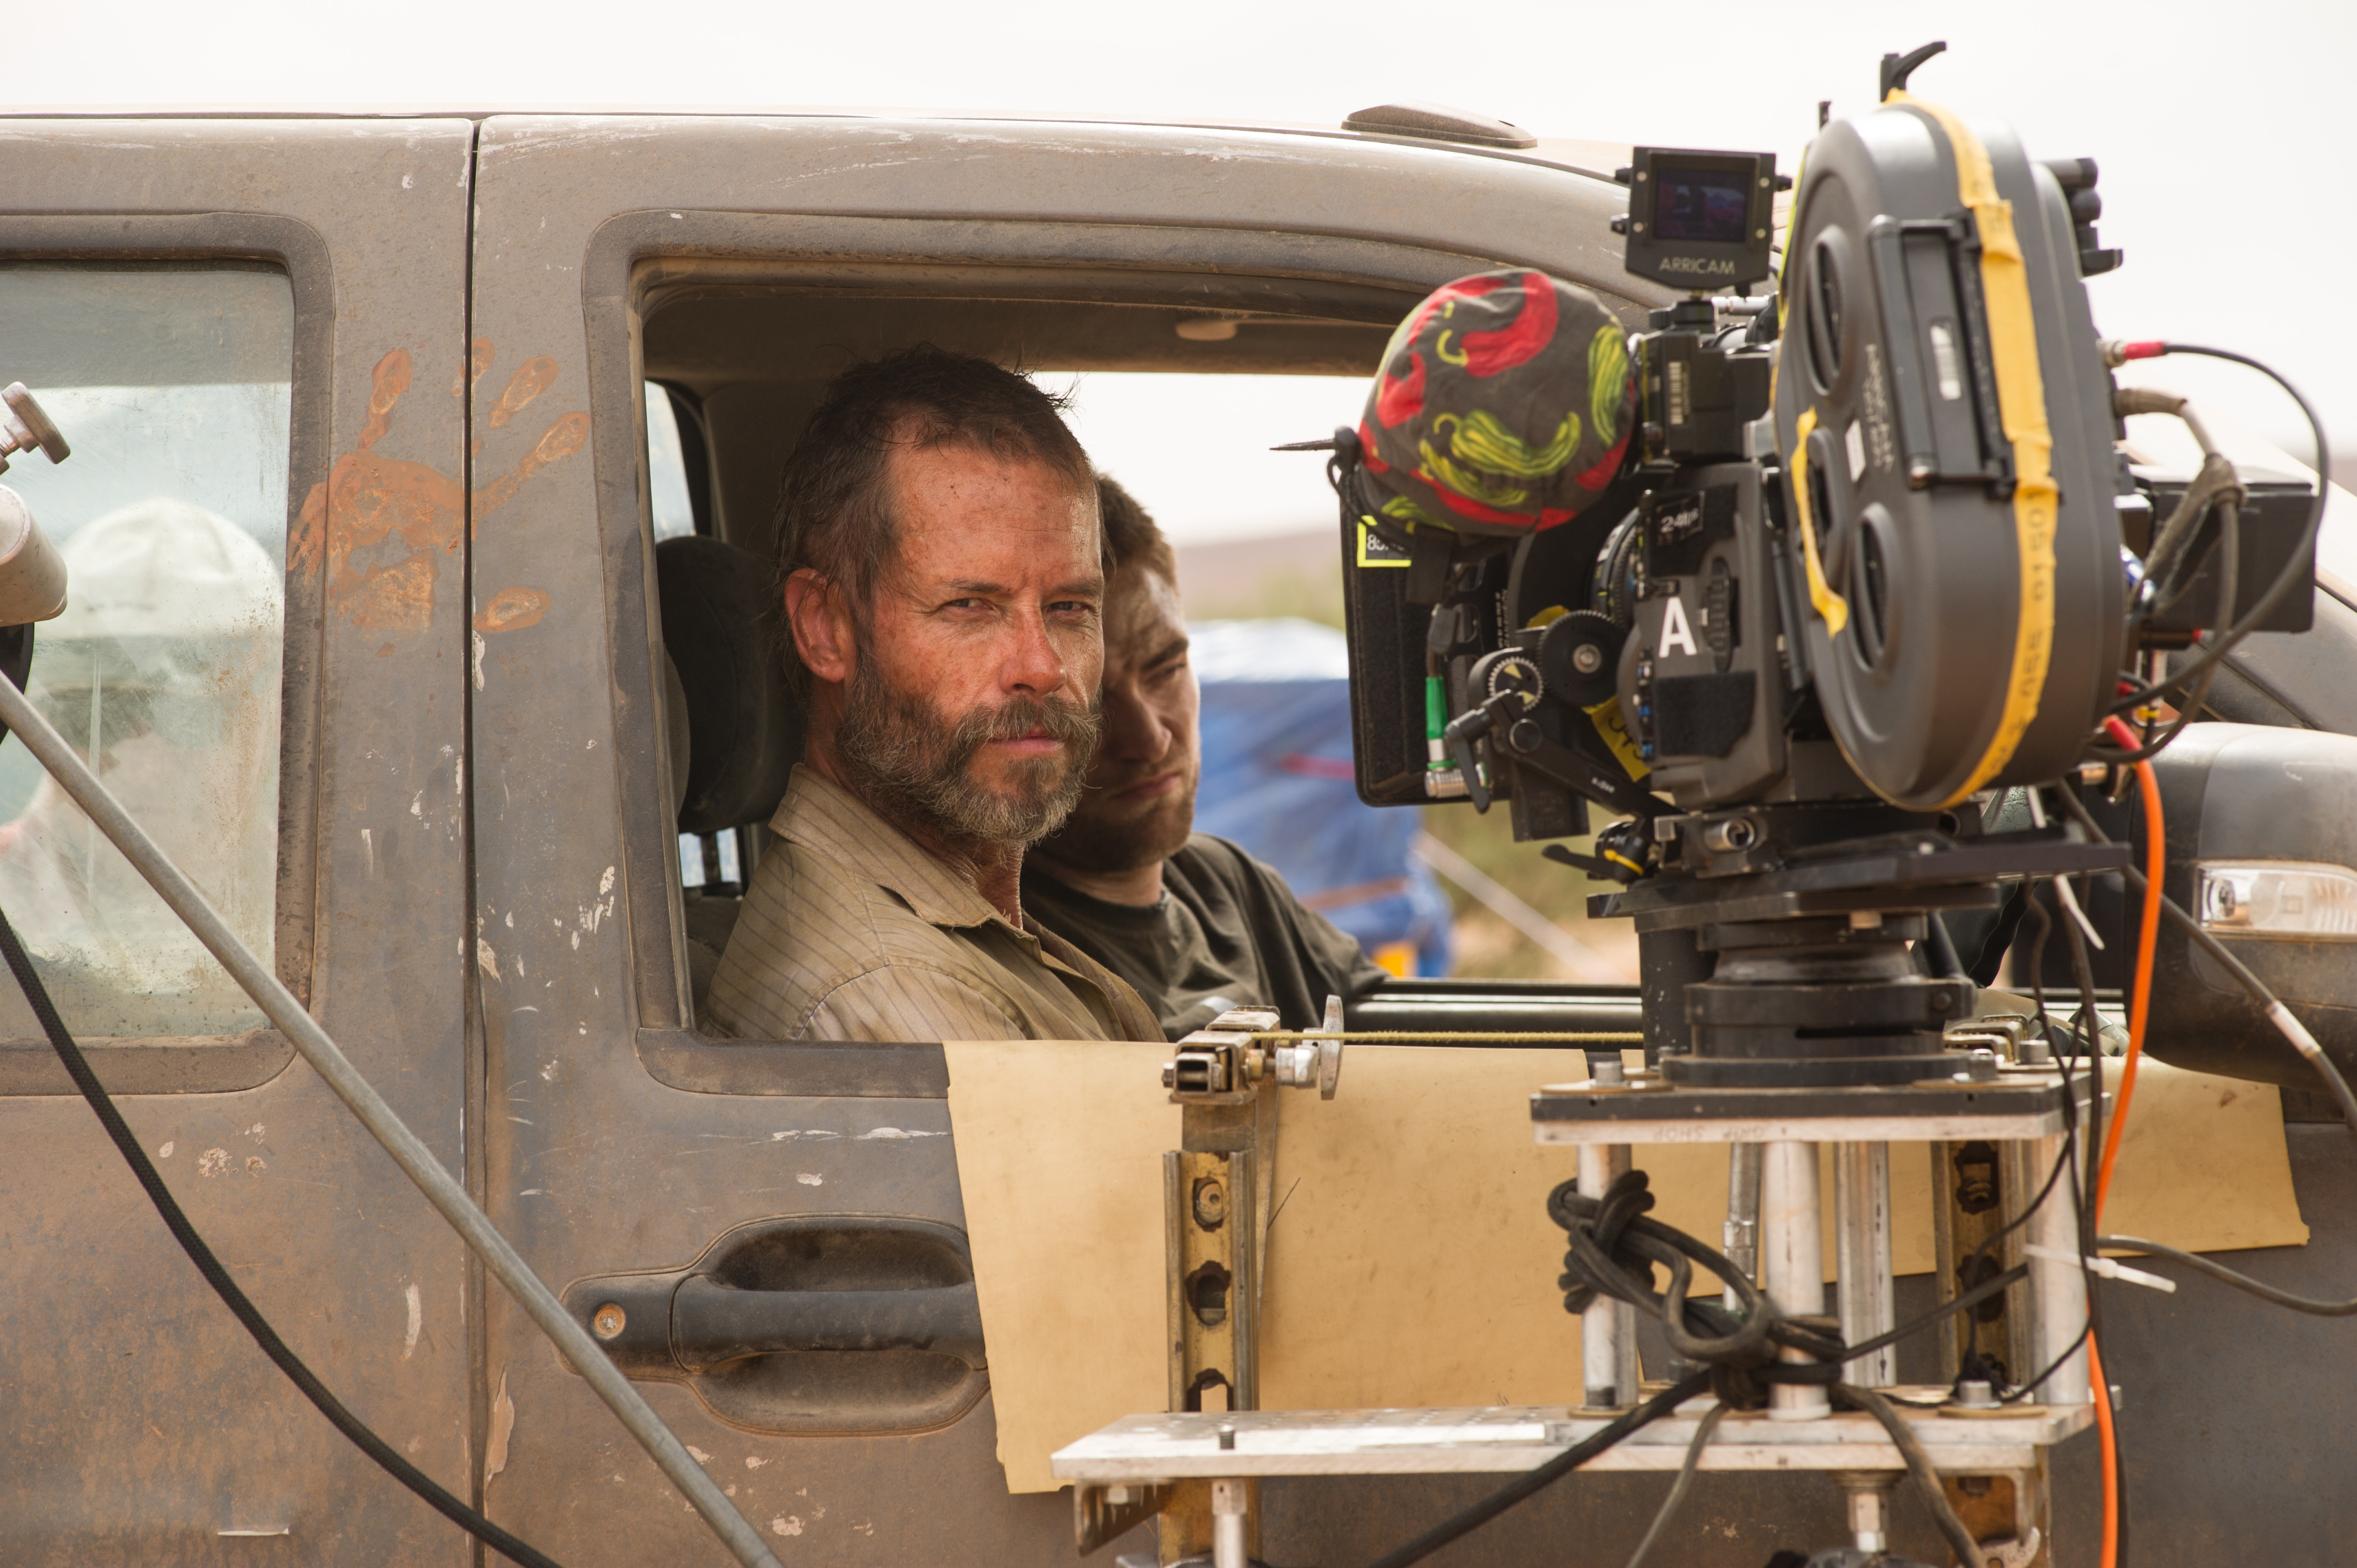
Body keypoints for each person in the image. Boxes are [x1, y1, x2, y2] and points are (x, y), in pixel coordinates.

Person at [704, 348, 1160, 1044]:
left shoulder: (963, 928)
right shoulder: (892, 994)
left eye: (1069, 607)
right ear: (825, 629)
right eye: (969, 606)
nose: (1042, 666)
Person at [1023, 477, 1387, 1039]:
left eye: (1166, 670)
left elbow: (1404, 1040)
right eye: (1092, 703)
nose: (1150, 740)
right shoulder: (1022, 954)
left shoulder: (1228, 884)